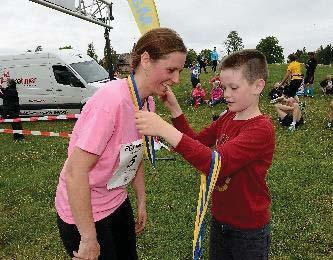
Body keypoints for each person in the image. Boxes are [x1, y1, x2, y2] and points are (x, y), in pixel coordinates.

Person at [55, 27, 187, 260]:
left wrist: (141, 200)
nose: (176, 79)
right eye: (171, 70)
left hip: (117, 200)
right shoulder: (111, 102)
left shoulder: (147, 102)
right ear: (146, 60)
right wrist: (88, 237)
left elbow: (134, 155)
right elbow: (76, 172)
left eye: (179, 71)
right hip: (86, 214)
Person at [135, 49, 275, 259]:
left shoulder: (260, 129)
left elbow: (216, 164)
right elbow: (197, 143)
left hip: (248, 230)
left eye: (234, 88)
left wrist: (165, 130)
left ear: (258, 85)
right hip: (220, 219)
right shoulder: (228, 117)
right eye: (223, 87)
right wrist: (175, 110)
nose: (226, 94)